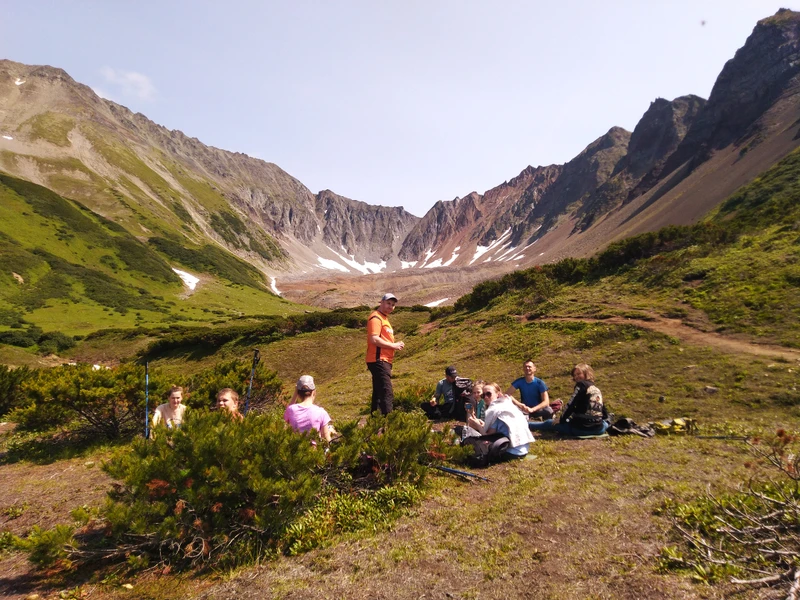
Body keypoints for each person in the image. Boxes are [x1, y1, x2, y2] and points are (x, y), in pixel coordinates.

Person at [529, 364, 609, 436]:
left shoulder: (581, 385)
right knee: (604, 424)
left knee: (549, 423)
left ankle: (525, 424)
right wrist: (605, 418)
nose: (576, 377)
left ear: (586, 373)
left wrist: (561, 419)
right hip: (599, 429)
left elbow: (571, 403)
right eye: (574, 375)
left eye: (578, 374)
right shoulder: (596, 388)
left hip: (581, 428)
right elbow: (602, 406)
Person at [465, 382, 534, 459]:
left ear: (498, 394)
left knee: (473, 442)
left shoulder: (494, 409)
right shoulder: (507, 404)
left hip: (511, 451)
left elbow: (487, 436)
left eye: (488, 394)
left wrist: (477, 425)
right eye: (483, 395)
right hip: (524, 449)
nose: (486, 397)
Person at [366, 293, 405, 415]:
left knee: (378, 395)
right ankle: (388, 425)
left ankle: (376, 427)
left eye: (393, 305)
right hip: (379, 360)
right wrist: (394, 345)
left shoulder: (384, 318)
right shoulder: (376, 318)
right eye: (388, 303)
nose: (390, 306)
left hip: (384, 360)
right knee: (386, 393)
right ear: (381, 302)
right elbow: (374, 339)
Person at [284, 375, 333, 443]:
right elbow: (326, 440)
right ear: (314, 392)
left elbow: (288, 415)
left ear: (298, 393)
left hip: (294, 451)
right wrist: (330, 432)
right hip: (313, 453)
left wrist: (295, 393)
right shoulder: (321, 412)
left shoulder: (291, 409)